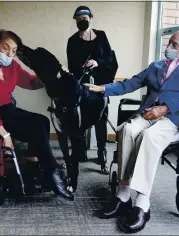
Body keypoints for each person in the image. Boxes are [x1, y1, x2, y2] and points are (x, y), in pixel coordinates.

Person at [85, 30, 179, 233]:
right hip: (148, 114)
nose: (168, 47)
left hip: (173, 117)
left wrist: (166, 108)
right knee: (126, 130)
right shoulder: (156, 66)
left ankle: (142, 202)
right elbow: (130, 83)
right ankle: (123, 194)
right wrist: (102, 88)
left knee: (149, 137)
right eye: (169, 43)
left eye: (174, 45)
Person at [0, 29, 74, 201]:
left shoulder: (12, 66)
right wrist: (5, 135)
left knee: (42, 121)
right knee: (37, 125)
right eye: (5, 48)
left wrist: (52, 75)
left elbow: (31, 82)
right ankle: (52, 173)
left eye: (14, 51)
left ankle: (33, 168)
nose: (9, 54)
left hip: (7, 109)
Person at [66, 5, 114, 175]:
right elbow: (71, 65)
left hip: (101, 84)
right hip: (83, 85)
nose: (82, 21)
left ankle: (102, 154)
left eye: (84, 18)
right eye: (78, 19)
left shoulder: (101, 35)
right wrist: (82, 67)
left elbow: (109, 57)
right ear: (75, 20)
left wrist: (97, 62)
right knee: (80, 118)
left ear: (90, 18)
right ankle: (80, 151)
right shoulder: (72, 40)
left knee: (101, 118)